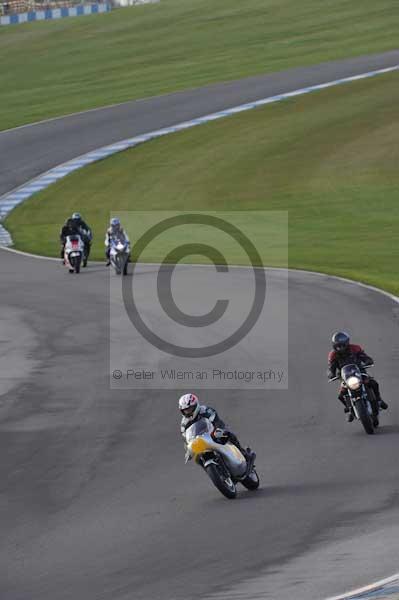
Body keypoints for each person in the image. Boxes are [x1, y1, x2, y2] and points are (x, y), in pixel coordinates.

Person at [327, 331, 388, 422]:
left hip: (359, 371)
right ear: (334, 346)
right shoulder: (333, 355)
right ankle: (350, 410)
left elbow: (363, 356)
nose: (340, 348)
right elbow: (331, 367)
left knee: (373, 383)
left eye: (342, 345)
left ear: (347, 343)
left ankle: (379, 400)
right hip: (345, 377)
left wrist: (368, 360)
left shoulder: (355, 348)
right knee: (341, 395)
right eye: (338, 346)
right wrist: (331, 374)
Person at [179, 393, 252, 460]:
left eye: (190, 409)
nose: (188, 412)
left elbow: (217, 422)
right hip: (199, 440)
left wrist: (218, 431)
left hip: (212, 432)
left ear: (196, 405)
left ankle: (243, 453)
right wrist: (188, 450)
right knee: (196, 457)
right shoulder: (184, 423)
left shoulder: (206, 410)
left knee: (228, 434)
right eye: (185, 410)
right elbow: (185, 438)